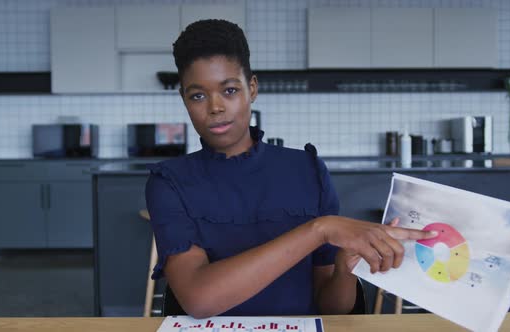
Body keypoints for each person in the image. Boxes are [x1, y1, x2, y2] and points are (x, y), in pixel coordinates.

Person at [145, 19, 436, 319]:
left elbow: (332, 307)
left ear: (252, 88)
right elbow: (199, 300)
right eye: (198, 96)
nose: (215, 107)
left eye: (229, 90)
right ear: (184, 100)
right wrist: (319, 230)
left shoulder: (306, 170)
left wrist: (344, 269)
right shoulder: (169, 182)